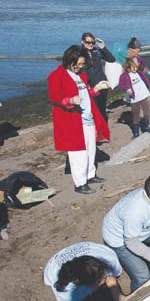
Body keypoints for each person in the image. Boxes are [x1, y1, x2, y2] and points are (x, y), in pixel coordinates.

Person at [48, 45, 110, 194]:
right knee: (78, 153)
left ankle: (90, 175)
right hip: (72, 121)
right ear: (70, 60)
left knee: (90, 149)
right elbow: (55, 98)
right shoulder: (57, 75)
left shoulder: (80, 75)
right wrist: (70, 100)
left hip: (87, 118)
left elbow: (85, 93)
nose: (81, 67)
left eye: (82, 64)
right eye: (79, 64)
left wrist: (95, 90)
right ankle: (80, 183)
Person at [44, 242, 124, 301]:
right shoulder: (65, 289)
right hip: (53, 266)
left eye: (104, 276)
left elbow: (111, 277)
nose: (105, 279)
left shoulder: (107, 257)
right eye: (102, 279)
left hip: (87, 250)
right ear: (81, 283)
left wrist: (119, 299)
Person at [81, 32, 116, 124]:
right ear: (82, 42)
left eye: (92, 42)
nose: (90, 44)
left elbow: (112, 59)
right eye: (88, 42)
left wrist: (103, 47)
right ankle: (96, 132)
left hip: (102, 84)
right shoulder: (80, 54)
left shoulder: (96, 51)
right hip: (89, 86)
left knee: (102, 109)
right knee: (92, 110)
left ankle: (104, 132)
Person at [118, 58, 150, 138]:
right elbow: (121, 86)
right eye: (133, 67)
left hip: (143, 95)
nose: (135, 69)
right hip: (135, 99)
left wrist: (149, 84)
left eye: (135, 67)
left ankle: (145, 127)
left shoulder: (138, 72)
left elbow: (143, 62)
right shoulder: (124, 76)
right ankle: (136, 132)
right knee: (136, 115)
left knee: (147, 113)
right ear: (128, 68)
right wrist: (127, 89)